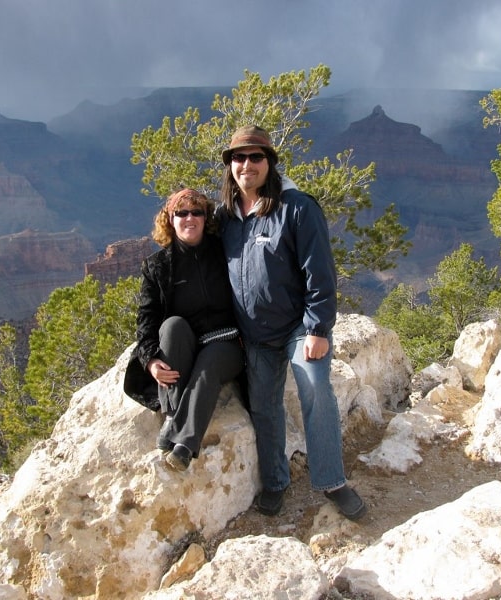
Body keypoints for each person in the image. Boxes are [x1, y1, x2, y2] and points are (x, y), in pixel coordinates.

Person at [216, 125, 366, 520]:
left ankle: (333, 481)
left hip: (299, 327)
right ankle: (276, 482)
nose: (246, 164)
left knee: (315, 388)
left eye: (256, 157)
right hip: (254, 336)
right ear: (230, 165)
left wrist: (318, 328)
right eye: (238, 157)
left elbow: (320, 272)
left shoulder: (296, 208)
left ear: (270, 163)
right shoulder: (226, 218)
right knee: (264, 408)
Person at [123, 188, 244, 471]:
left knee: (209, 364)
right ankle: (173, 411)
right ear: (170, 219)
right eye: (182, 213)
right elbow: (147, 318)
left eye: (197, 212)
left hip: (226, 342)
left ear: (205, 217)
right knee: (172, 326)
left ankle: (185, 444)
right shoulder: (157, 266)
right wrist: (150, 360)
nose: (190, 219)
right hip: (184, 346)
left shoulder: (224, 251)